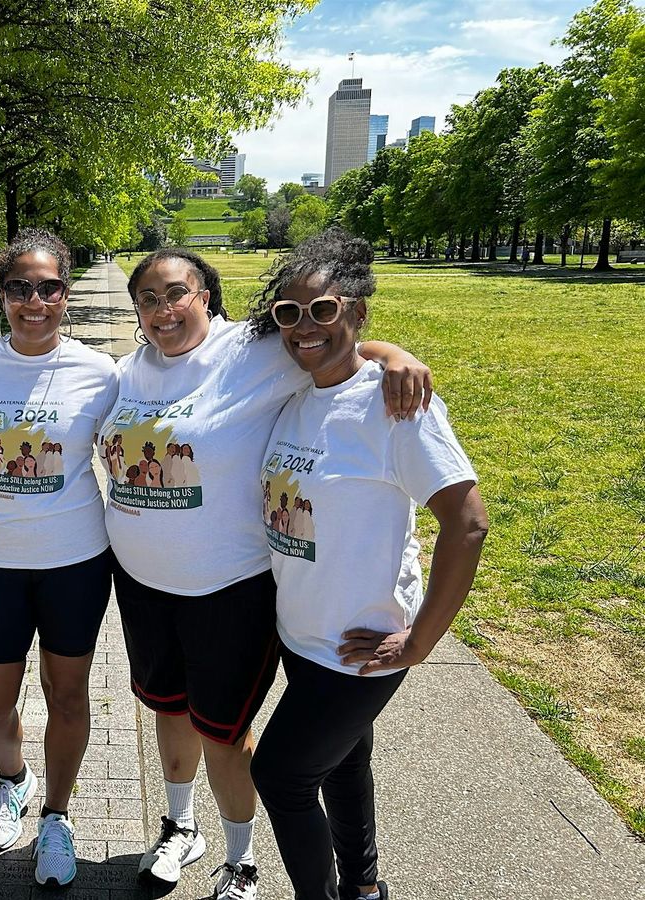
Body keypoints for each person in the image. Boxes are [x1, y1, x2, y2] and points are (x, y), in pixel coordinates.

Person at [97, 248, 432, 900]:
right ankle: (179, 826)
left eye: (177, 293)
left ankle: (241, 860)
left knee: (223, 731)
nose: (164, 310)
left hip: (228, 591)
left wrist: (395, 356)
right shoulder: (129, 370)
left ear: (206, 296)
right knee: (169, 709)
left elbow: (330, 346)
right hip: (142, 586)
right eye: (148, 300)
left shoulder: (250, 351)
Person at [248, 228, 488, 900]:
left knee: (282, 775)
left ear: (356, 311)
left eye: (323, 309)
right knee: (343, 765)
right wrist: (386, 349)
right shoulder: (295, 397)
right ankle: (363, 887)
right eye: (289, 313)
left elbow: (467, 523)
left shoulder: (395, 406)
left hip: (360, 648)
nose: (304, 327)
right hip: (301, 637)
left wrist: (419, 642)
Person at [0, 228, 119, 889]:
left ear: (65, 294)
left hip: (75, 561)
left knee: (66, 695)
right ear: (2, 294)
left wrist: (378, 352)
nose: (35, 301)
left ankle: (57, 815)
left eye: (48, 288)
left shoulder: (99, 373)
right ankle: (14, 778)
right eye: (20, 287)